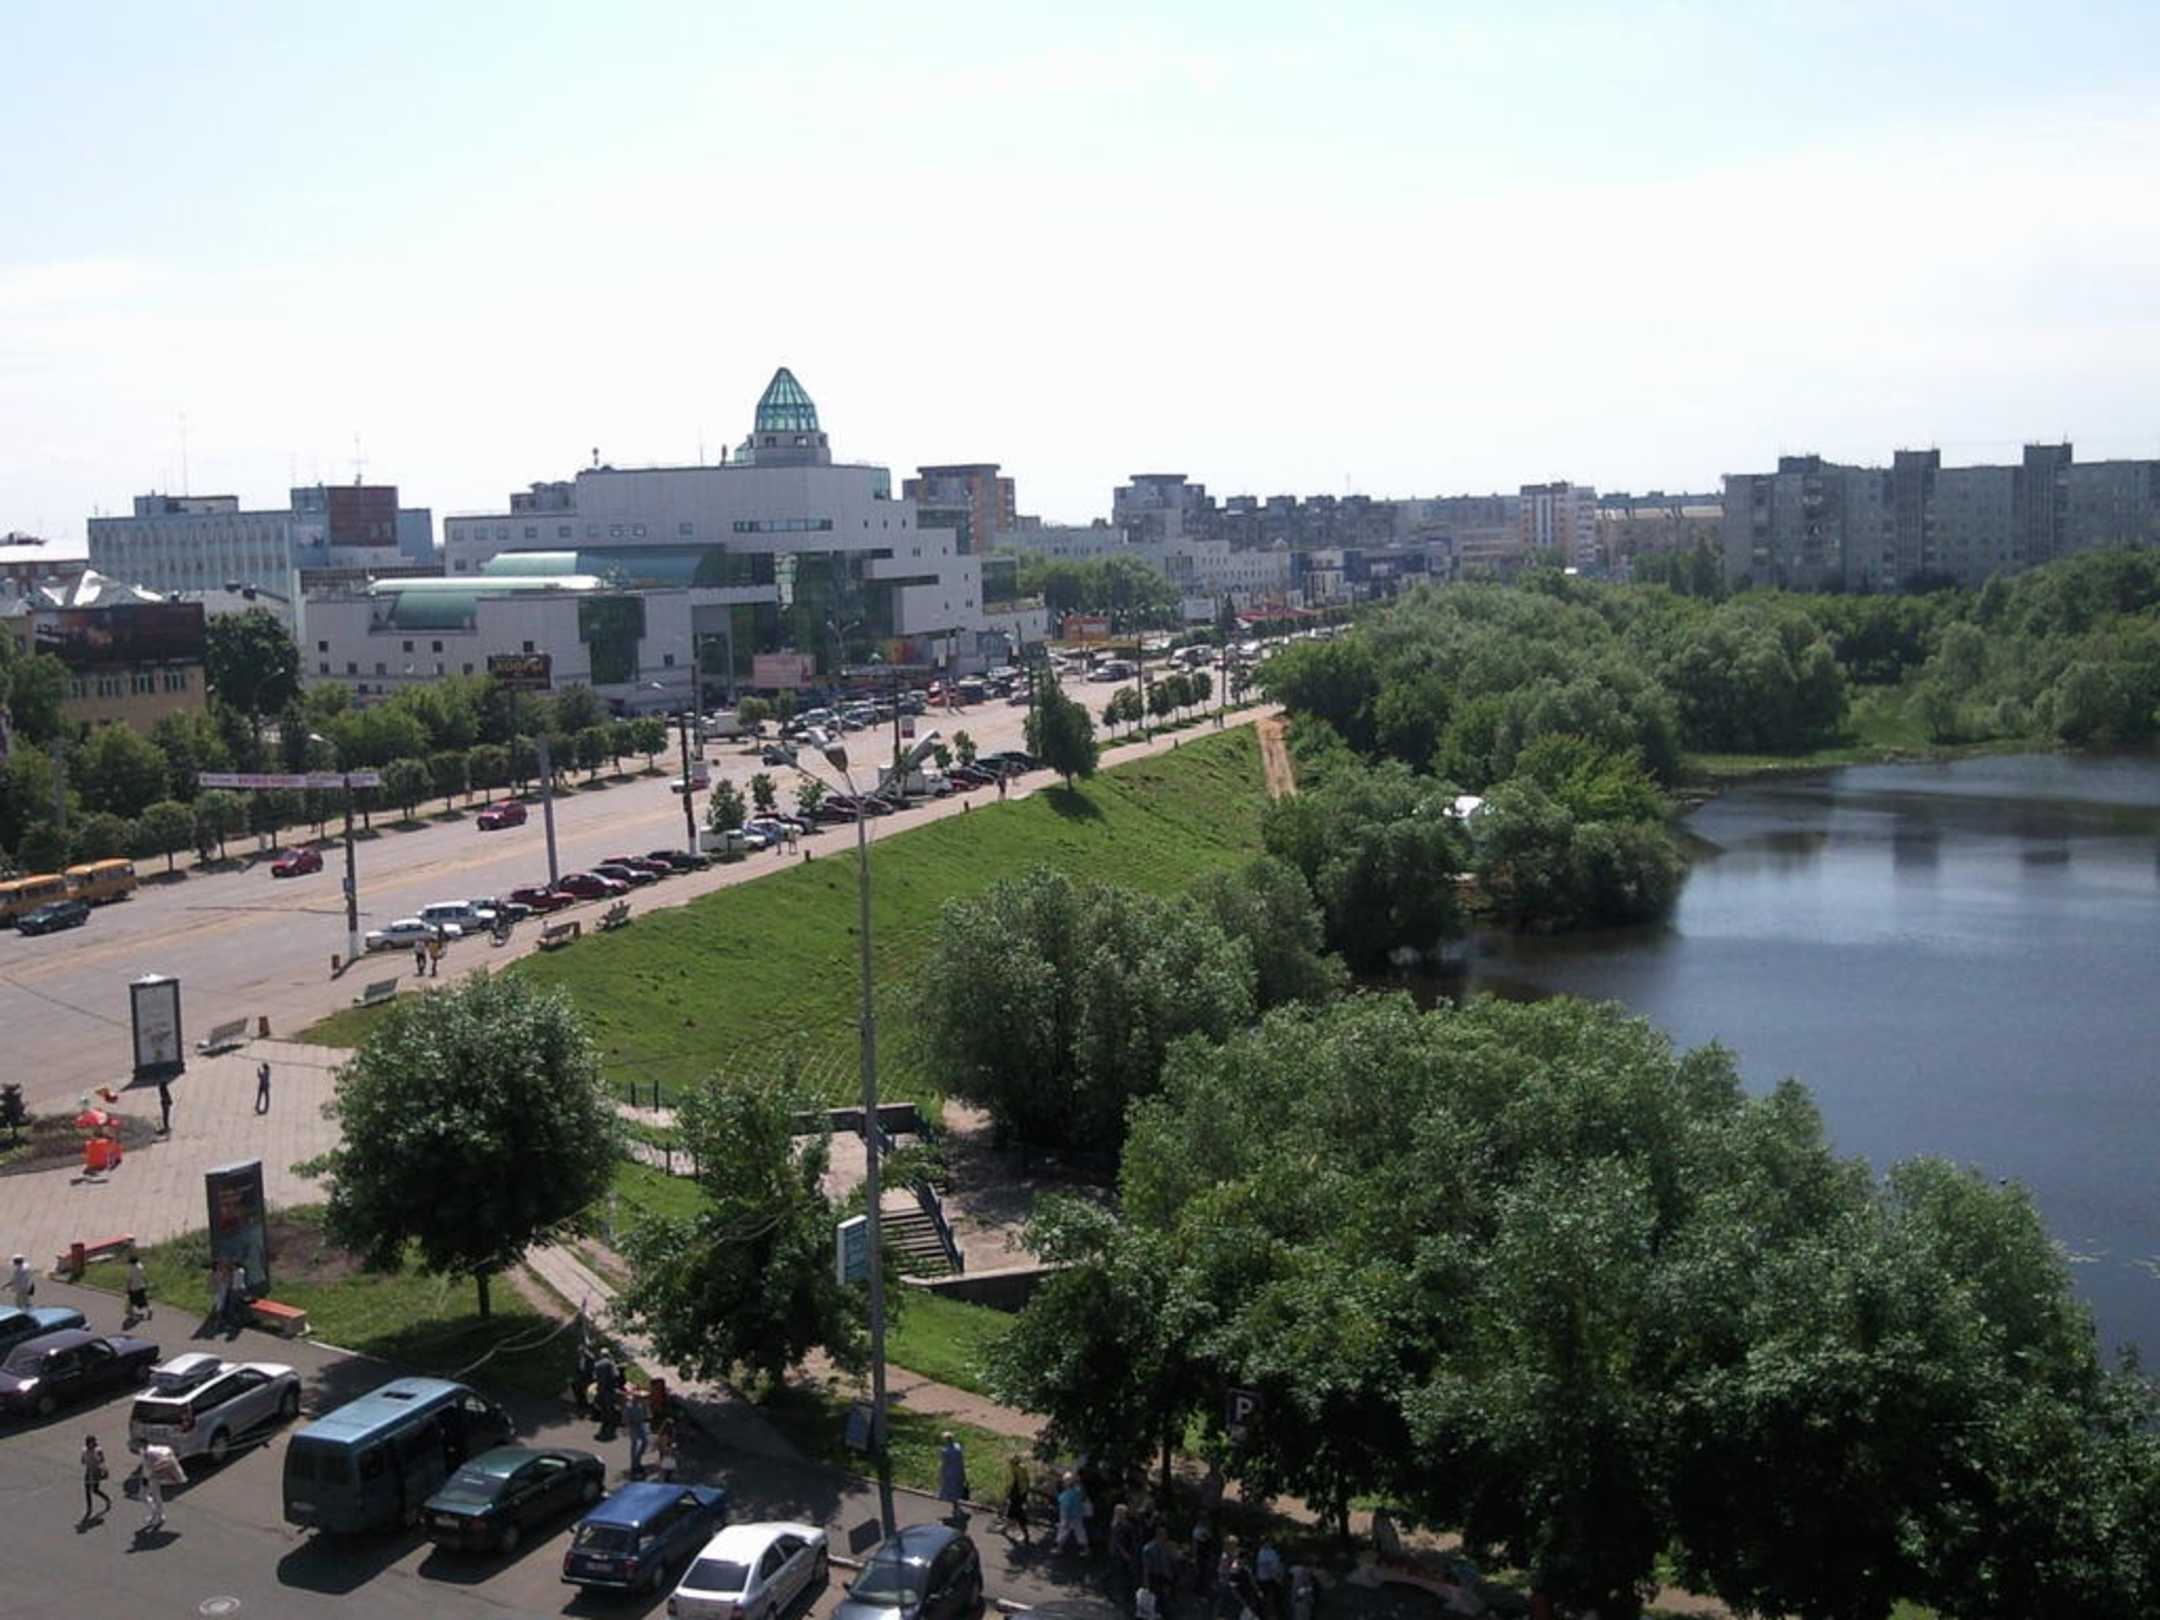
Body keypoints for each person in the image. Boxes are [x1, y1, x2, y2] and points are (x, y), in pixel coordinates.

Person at [1218, 1537, 1263, 1620]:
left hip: (1238, 1587)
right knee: (1229, 1610)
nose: (1235, 1546)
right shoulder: (1225, 1557)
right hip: (1229, 1586)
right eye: (1233, 1544)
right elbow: (1225, 1571)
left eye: (1235, 1544)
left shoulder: (1236, 1555)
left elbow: (1242, 1568)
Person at [1109, 1503, 1143, 1611]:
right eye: (1122, 1512)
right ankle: (1122, 1597)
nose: (1124, 1514)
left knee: (1126, 1575)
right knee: (1122, 1575)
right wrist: (1125, 1554)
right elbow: (1118, 1542)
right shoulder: (1118, 1525)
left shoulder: (1125, 1524)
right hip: (1121, 1554)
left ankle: (1125, 1597)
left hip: (1127, 1552)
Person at [1142, 1523, 1178, 1616]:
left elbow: (1171, 1561)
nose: (1165, 1536)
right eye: (1163, 1534)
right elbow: (1147, 1566)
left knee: (1165, 1598)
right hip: (1154, 1576)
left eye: (1165, 1534)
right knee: (1157, 1599)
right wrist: (1146, 1581)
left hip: (1165, 1576)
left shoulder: (1167, 1546)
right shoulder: (1148, 1548)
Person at [1055, 1471, 1090, 1554]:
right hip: (1078, 1515)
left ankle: (1059, 1549)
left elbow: (1065, 1508)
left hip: (1067, 1517)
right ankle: (1086, 1549)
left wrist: (1066, 1519)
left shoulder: (1064, 1496)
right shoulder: (1078, 1492)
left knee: (1063, 1532)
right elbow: (1083, 1497)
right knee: (1080, 1532)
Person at [1001, 1453, 1033, 1544]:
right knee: (1013, 1514)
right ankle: (1005, 1529)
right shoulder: (1023, 1467)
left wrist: (1007, 1494)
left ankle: (1025, 1536)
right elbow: (1026, 1481)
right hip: (1022, 1494)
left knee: (1015, 1515)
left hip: (1016, 1496)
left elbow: (1012, 1483)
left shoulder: (1015, 1470)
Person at [938, 1432, 968, 1525]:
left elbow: (944, 1464)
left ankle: (956, 1508)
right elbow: (961, 1460)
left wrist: (941, 1474)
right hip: (958, 1470)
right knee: (957, 1488)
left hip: (950, 1473)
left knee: (951, 1490)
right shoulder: (958, 1447)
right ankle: (957, 1506)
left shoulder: (945, 1451)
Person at [80, 1434, 111, 1523]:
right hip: (88, 1471)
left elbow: (102, 1461)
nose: (91, 1444)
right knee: (87, 1491)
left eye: (92, 1442)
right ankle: (89, 1508)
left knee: (95, 1490)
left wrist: (104, 1470)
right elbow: (82, 1461)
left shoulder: (98, 1450)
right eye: (89, 1442)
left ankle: (107, 1499)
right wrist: (85, 1459)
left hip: (96, 1472)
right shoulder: (84, 1450)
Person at [592, 1351, 621, 1437]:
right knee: (610, 1408)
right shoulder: (611, 1363)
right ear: (608, 1355)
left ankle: (604, 1424)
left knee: (603, 1408)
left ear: (601, 1355)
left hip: (600, 1390)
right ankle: (610, 1426)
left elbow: (594, 1376)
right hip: (609, 1390)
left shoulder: (597, 1364)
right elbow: (617, 1374)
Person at [623, 1385, 651, 1477]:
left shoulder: (642, 1404)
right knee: (634, 1444)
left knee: (645, 1442)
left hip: (641, 1425)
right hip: (633, 1426)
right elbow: (625, 1418)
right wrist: (628, 1426)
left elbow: (647, 1415)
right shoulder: (629, 1406)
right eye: (637, 1397)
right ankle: (634, 1465)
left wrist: (646, 1410)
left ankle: (637, 1460)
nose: (639, 1398)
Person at [1255, 1539, 1284, 1620]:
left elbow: (1276, 1565)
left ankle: (1275, 1615)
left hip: (1271, 1578)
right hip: (1266, 1579)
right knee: (1266, 1599)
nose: (1269, 1544)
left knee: (1274, 1599)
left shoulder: (1271, 1552)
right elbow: (1271, 1567)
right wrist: (1277, 1577)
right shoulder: (1262, 1552)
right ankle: (1265, 1615)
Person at [124, 1253, 151, 1326]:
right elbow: (144, 1276)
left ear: (131, 1262)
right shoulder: (140, 1266)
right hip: (141, 1287)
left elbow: (129, 1280)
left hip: (133, 1288)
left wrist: (127, 1288)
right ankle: (150, 1310)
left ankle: (133, 1317)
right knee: (144, 1301)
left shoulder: (130, 1269)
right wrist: (147, 1283)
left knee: (131, 1303)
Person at [653, 1417, 677, 1482]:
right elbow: (671, 1442)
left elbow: (658, 1442)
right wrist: (670, 1448)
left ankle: (664, 1477)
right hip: (667, 1451)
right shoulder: (668, 1433)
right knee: (667, 1464)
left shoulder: (664, 1432)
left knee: (665, 1463)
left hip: (665, 1451)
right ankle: (666, 1477)